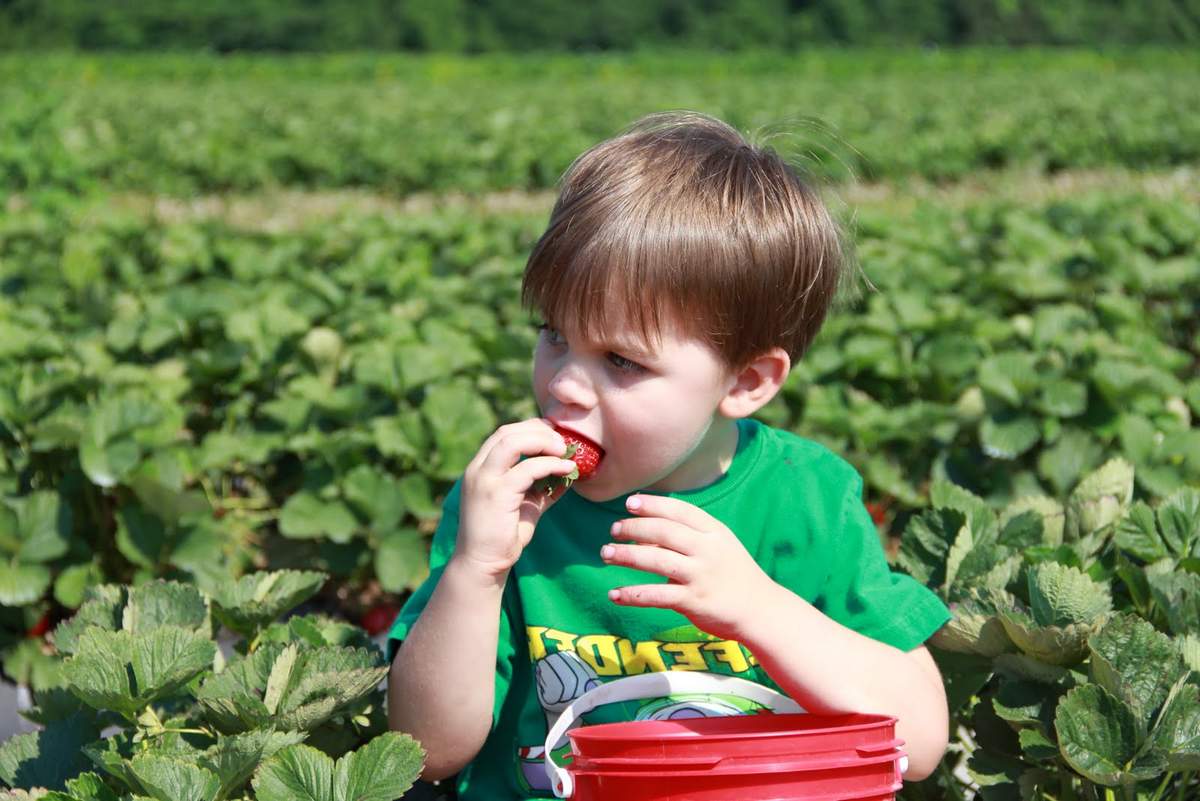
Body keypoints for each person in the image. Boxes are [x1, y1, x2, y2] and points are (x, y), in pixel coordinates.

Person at [387, 111, 951, 800]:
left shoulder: (804, 496)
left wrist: (758, 608)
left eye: (621, 360)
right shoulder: (507, 506)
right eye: (554, 335)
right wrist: (476, 571)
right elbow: (425, 750)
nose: (563, 382)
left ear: (746, 382)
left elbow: (918, 740)